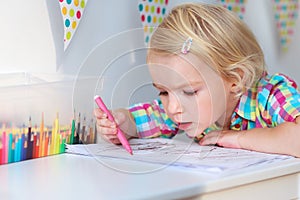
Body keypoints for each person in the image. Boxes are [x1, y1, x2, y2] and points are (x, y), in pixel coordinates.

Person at [94, 3, 300, 157]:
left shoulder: (272, 94)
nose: (173, 107)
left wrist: (234, 138)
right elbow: (148, 120)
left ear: (235, 79)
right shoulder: (185, 112)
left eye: (190, 92)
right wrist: (123, 123)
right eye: (164, 92)